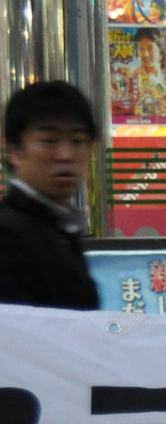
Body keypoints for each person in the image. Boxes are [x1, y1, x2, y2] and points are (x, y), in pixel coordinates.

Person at [0, 81, 102, 310]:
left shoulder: (60, 230)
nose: (66, 155)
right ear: (14, 151)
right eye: (49, 142)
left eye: (78, 141)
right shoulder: (7, 236)